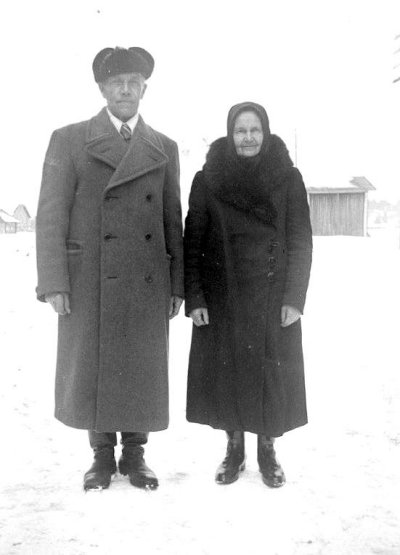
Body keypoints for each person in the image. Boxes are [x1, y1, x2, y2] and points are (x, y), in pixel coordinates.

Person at [36, 47, 184, 491]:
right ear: (102, 89)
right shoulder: (69, 140)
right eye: (117, 82)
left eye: (133, 82)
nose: (125, 89)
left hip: (146, 277)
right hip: (89, 279)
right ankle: (101, 456)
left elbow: (171, 220)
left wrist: (177, 284)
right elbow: (50, 216)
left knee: (140, 364)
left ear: (144, 89)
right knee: (94, 364)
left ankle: (135, 454)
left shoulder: (164, 147)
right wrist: (54, 282)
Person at [184, 101, 312, 487]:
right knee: (228, 375)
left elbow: (301, 240)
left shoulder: (288, 178)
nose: (248, 137)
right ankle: (234, 449)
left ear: (266, 133)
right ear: (230, 134)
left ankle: (267, 451)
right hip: (223, 296)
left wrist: (294, 297)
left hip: (273, 295)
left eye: (255, 129)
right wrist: (195, 297)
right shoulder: (208, 179)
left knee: (270, 376)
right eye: (241, 130)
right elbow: (193, 241)